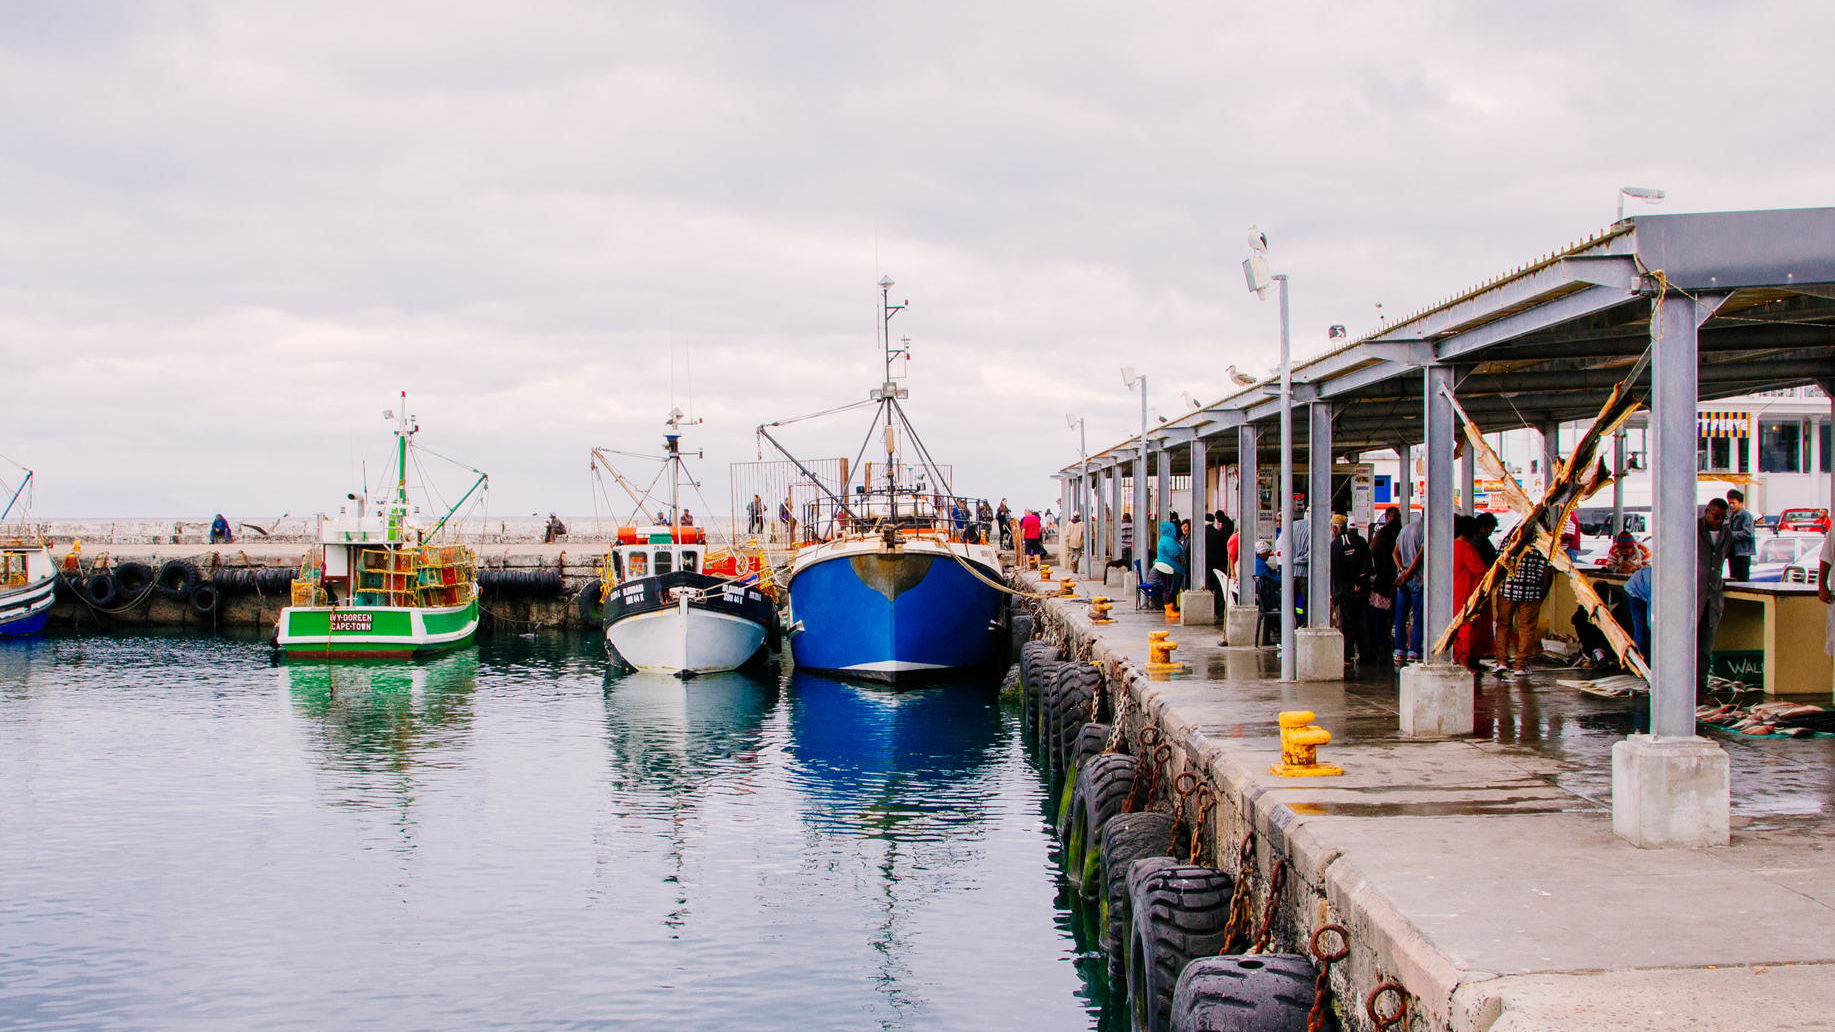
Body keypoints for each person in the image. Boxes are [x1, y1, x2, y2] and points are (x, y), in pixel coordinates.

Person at [1494, 544, 1551, 677]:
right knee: (1527, 628)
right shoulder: (1541, 546)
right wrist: (1540, 593)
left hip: (1507, 589)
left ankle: (1501, 661)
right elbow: (1545, 572)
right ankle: (1520, 665)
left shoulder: (1509, 541)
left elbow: (1498, 564)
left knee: (1503, 625)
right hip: (1531, 591)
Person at [1697, 497, 1734, 692]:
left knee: (1705, 646)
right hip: (1694, 597)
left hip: (1713, 597)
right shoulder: (1694, 529)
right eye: (1716, 516)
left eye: (1723, 518)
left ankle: (1701, 686)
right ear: (1707, 512)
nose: (1719, 521)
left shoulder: (1727, 535)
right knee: (1687, 642)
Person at [1452, 515, 1495, 673]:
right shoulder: (1466, 548)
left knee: (1460, 626)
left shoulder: (1453, 546)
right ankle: (1466, 662)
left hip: (1456, 591)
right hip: (1467, 593)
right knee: (1467, 627)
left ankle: (1466, 660)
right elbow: (1480, 570)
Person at [1329, 514, 1372, 667]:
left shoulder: (1335, 545)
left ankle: (1346, 657)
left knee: (1346, 625)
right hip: (1361, 591)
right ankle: (1365, 655)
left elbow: (1334, 570)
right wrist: (1359, 582)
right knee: (1363, 623)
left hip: (1344, 592)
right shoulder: (1361, 541)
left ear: (1335, 528)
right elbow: (1368, 566)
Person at [1367, 507, 1402, 661]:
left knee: (1382, 612)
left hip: (1382, 582)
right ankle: (1381, 639)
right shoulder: (1383, 540)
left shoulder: (1380, 538)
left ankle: (1380, 638)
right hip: (1381, 582)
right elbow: (1381, 562)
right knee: (1380, 612)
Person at [1391, 511, 1426, 664]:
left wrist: (1401, 570)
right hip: (1416, 579)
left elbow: (1395, 552)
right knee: (1418, 616)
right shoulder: (1426, 530)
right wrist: (1408, 573)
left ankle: (1399, 651)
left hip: (1403, 580)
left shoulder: (1405, 529)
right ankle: (1415, 651)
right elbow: (1420, 555)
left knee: (1400, 616)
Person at [1152, 520, 1187, 609]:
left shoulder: (1165, 538)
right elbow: (1174, 552)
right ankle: (1169, 608)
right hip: (1167, 568)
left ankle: (1171, 607)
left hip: (1167, 567)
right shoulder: (1168, 540)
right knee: (1169, 588)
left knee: (1168, 588)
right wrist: (1181, 561)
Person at [1726, 489, 1756, 582]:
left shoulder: (1746, 515)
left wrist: (1731, 535)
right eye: (1730, 503)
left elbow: (1748, 533)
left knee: (1742, 579)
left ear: (1740, 503)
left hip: (1742, 554)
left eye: (1733, 503)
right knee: (1734, 578)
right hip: (1733, 553)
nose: (1731, 506)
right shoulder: (1731, 515)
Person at [1625, 563, 1653, 660]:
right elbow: (1651, 614)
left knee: (1647, 628)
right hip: (1634, 591)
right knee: (1640, 626)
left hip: (1643, 588)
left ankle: (1646, 657)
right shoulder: (1656, 583)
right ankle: (1638, 660)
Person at [1205, 512, 1230, 612]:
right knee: (1218, 587)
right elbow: (1224, 550)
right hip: (1218, 565)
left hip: (1206, 565)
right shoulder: (1219, 534)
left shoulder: (1200, 535)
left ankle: (1207, 609)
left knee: (1208, 587)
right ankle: (1218, 610)